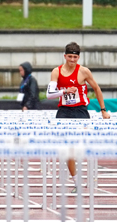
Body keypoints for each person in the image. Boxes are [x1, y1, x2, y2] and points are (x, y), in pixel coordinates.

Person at [46, 42, 110, 193]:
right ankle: (77, 182)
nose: (72, 60)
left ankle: (85, 175)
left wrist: (103, 110)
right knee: (66, 150)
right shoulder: (57, 71)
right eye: (70, 57)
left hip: (80, 111)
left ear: (78, 57)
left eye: (75, 57)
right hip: (63, 111)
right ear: (65, 56)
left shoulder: (84, 71)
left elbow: (97, 88)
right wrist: (65, 91)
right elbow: (49, 95)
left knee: (79, 148)